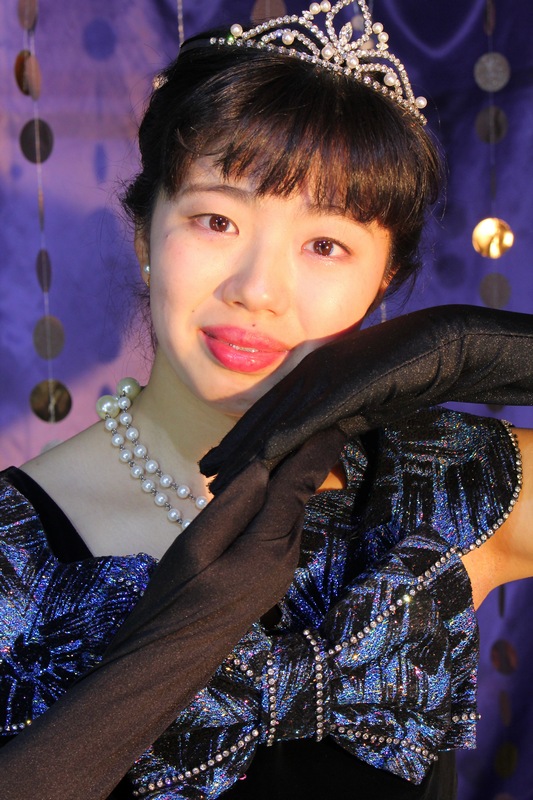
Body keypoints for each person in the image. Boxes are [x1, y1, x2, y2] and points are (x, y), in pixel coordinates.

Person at [1, 2, 533, 799]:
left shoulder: (446, 484)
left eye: (325, 245)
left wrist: (471, 348)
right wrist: (184, 638)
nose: (257, 290)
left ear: (381, 280)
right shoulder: (11, 549)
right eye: (216, 220)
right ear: (145, 236)